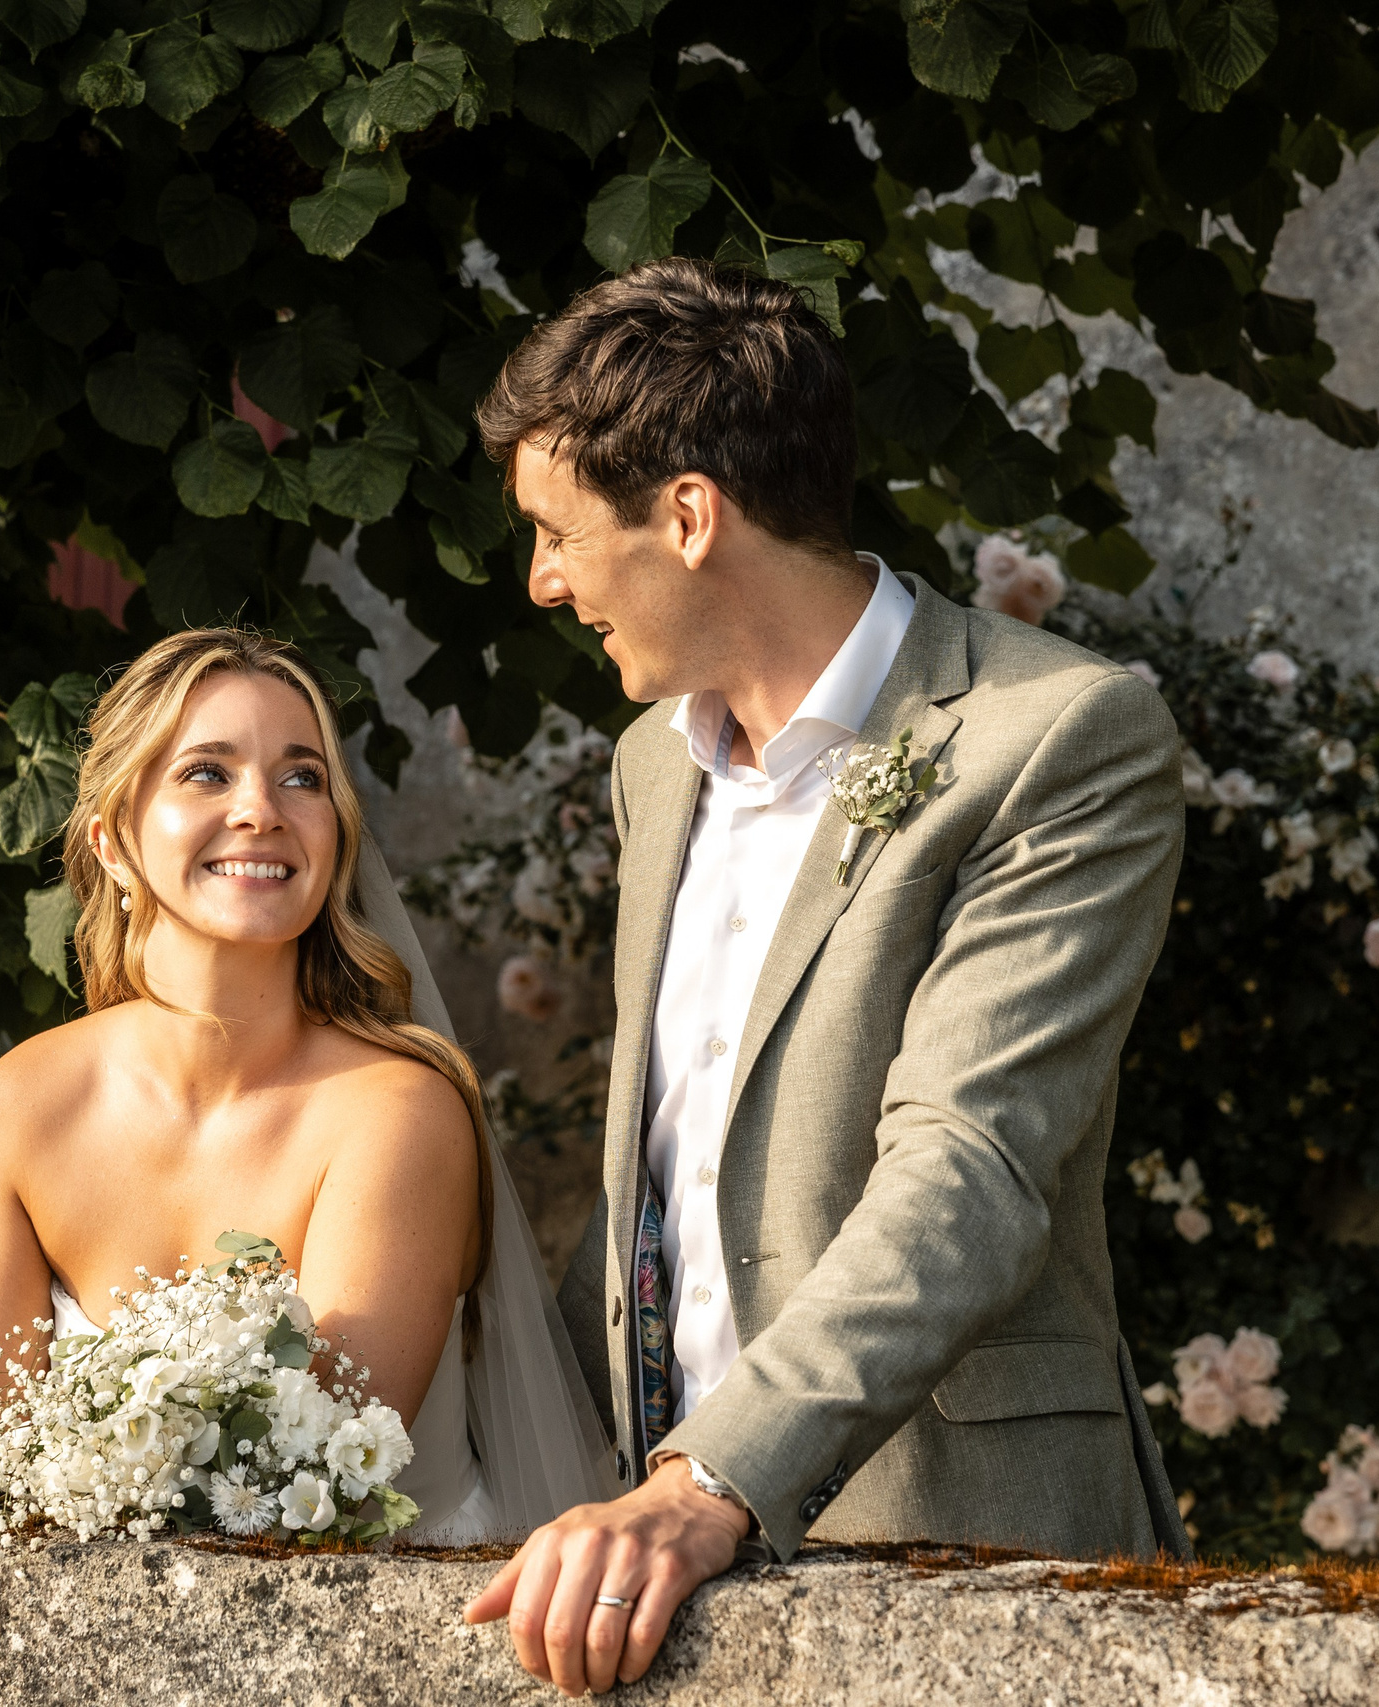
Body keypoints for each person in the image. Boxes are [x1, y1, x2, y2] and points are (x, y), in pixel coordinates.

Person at [461, 259, 1193, 1693]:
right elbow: (661, 1174)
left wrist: (710, 1477)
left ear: (688, 513)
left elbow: (971, 1166)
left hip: (964, 1550)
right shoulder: (645, 764)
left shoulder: (1055, 735)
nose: (541, 578)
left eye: (556, 532)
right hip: (642, 1581)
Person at [0, 628, 611, 1541]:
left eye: (303, 777)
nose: (262, 808)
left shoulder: (398, 1113)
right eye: (207, 773)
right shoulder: (28, 1101)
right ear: (112, 839)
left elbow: (317, 1477)